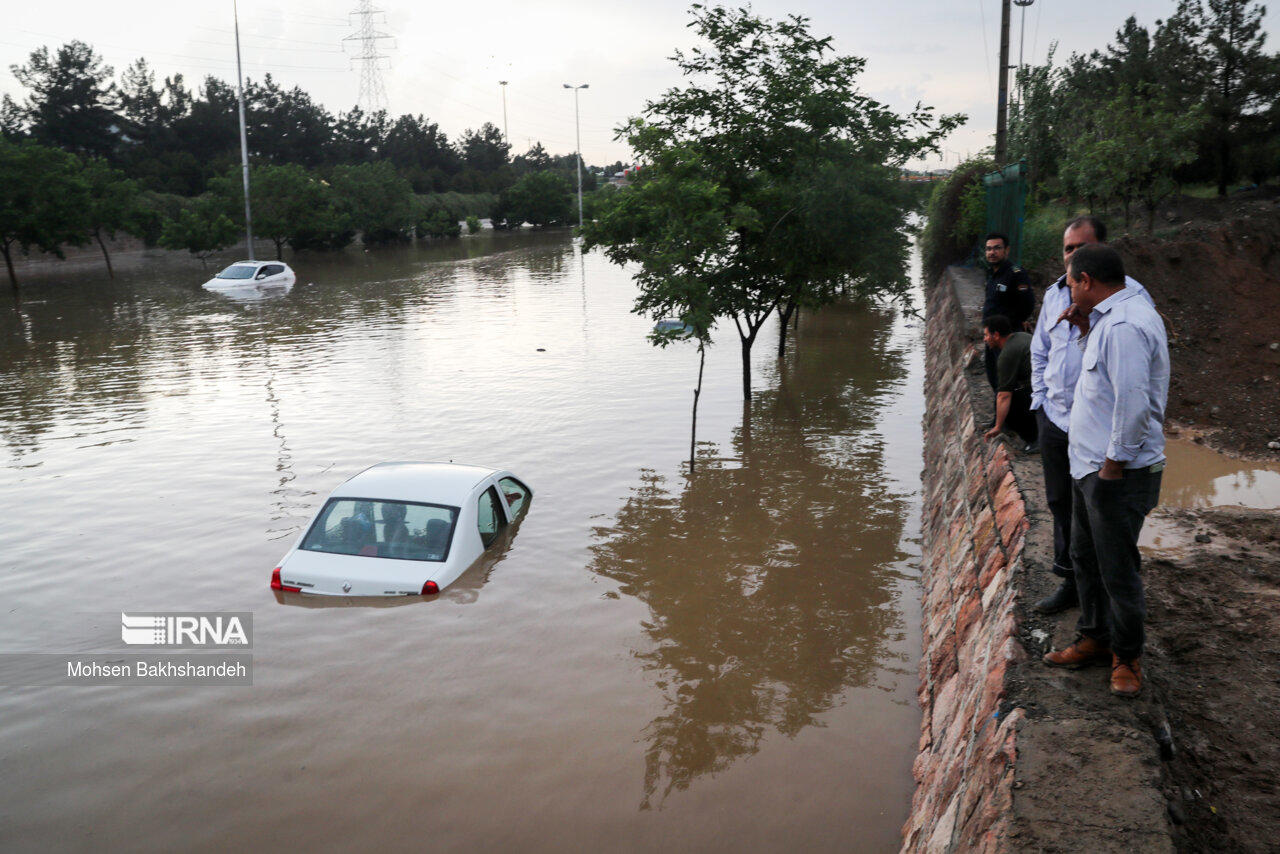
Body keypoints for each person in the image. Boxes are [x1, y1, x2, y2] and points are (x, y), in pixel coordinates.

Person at [1042, 245, 1168, 699]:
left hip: (1113, 472)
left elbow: (1133, 404)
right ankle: (1094, 637)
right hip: (1089, 466)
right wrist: (1080, 331)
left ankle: (1127, 658)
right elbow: (1103, 387)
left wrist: (1113, 465)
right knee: (1085, 558)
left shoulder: (1125, 326)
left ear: (1087, 280)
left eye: (1071, 281)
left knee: (1117, 568)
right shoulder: (1106, 319)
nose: (1069, 290)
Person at [1028, 216, 1153, 615]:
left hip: (1097, 431)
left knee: (1102, 518)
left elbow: (1133, 384)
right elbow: (1040, 348)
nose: (1072, 257)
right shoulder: (1055, 294)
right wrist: (1040, 400)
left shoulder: (1128, 303)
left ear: (1101, 251)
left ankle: (1106, 602)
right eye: (1068, 249)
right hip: (1056, 419)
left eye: (1081, 249)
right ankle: (1071, 581)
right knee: (1061, 505)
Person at [981, 233, 1035, 415]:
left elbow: (1027, 305)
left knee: (1007, 381)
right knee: (993, 376)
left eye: (997, 248)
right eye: (989, 249)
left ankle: (1007, 421)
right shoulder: (991, 274)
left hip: (1006, 337)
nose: (992, 252)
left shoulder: (1015, 274)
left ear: (1006, 250)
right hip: (992, 337)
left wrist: (1008, 328)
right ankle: (1001, 418)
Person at [982, 315, 1037, 447]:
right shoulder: (1021, 336)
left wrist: (998, 426)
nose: (984, 339)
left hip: (1041, 387)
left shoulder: (1007, 355)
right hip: (1045, 381)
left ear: (996, 335)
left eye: (986, 335)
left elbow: (1004, 395)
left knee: (1009, 406)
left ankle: (1034, 439)